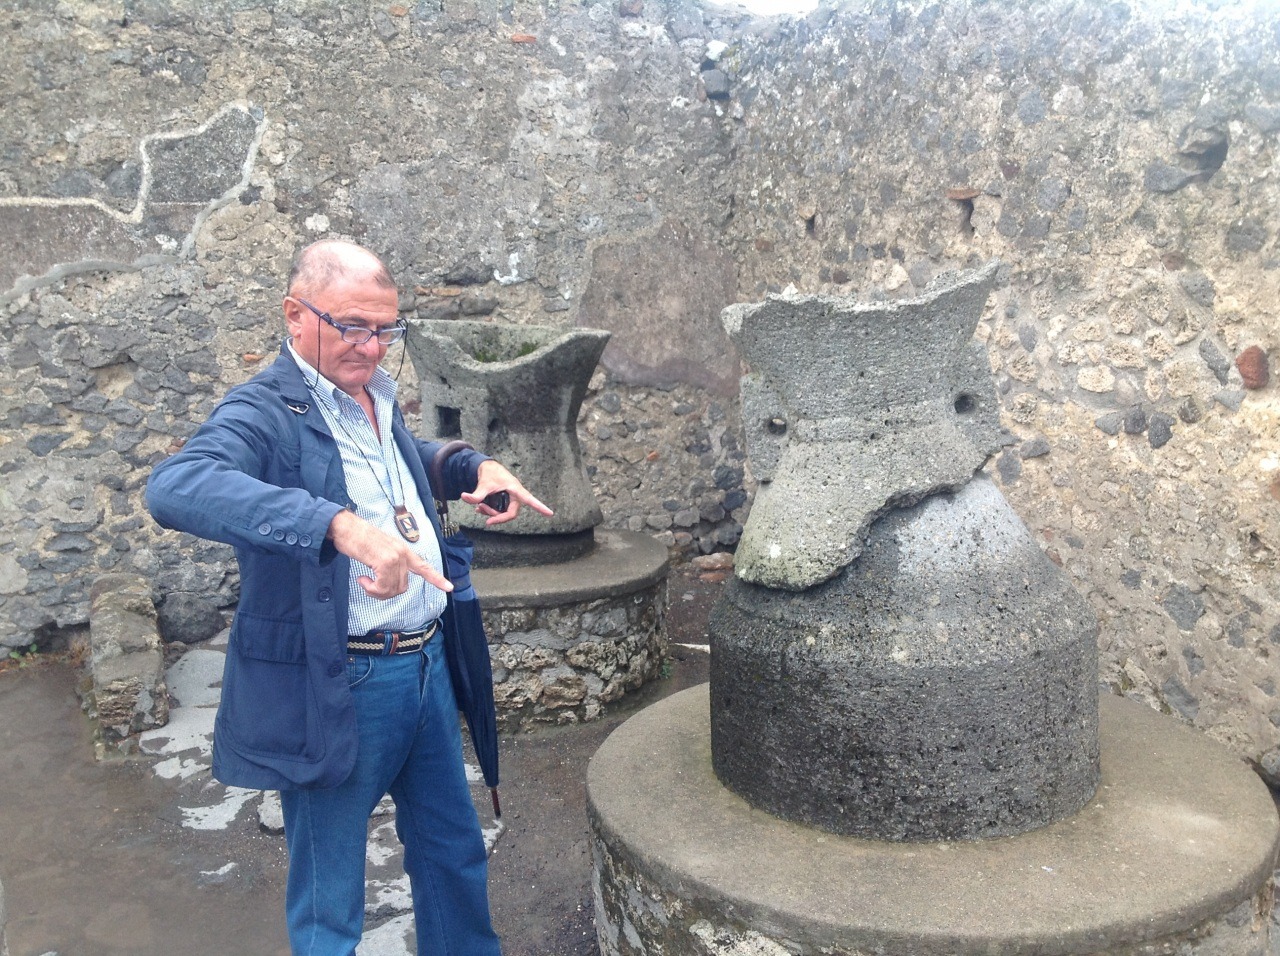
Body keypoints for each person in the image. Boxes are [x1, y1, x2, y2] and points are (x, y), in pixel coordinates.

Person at [146, 238, 551, 955]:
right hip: (344, 681)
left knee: (453, 855)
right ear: (294, 314)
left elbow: (390, 463)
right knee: (331, 897)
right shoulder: (264, 409)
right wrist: (337, 526)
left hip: (426, 666)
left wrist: (467, 466)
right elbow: (177, 487)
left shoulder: (372, 396)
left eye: (386, 330)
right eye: (352, 326)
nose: (370, 346)